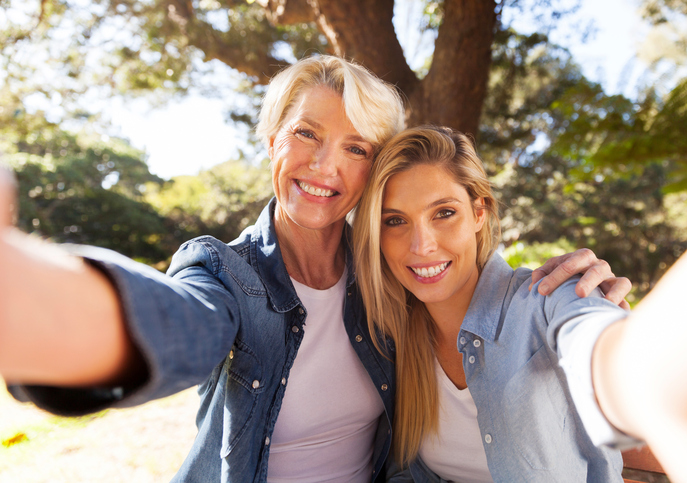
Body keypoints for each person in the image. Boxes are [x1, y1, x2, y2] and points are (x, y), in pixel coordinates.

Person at [0, 57, 631, 482]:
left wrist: (591, 306)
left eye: (356, 147)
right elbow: (178, 324)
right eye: (306, 134)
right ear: (272, 137)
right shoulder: (228, 276)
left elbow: (538, 324)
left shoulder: (391, 280)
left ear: (373, 172)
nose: (325, 166)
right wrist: (27, 295)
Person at [353, 125, 687, 483]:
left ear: (479, 212)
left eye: (444, 213)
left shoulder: (550, 293)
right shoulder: (390, 336)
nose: (422, 245)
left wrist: (635, 374)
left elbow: (597, 344)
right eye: (395, 221)